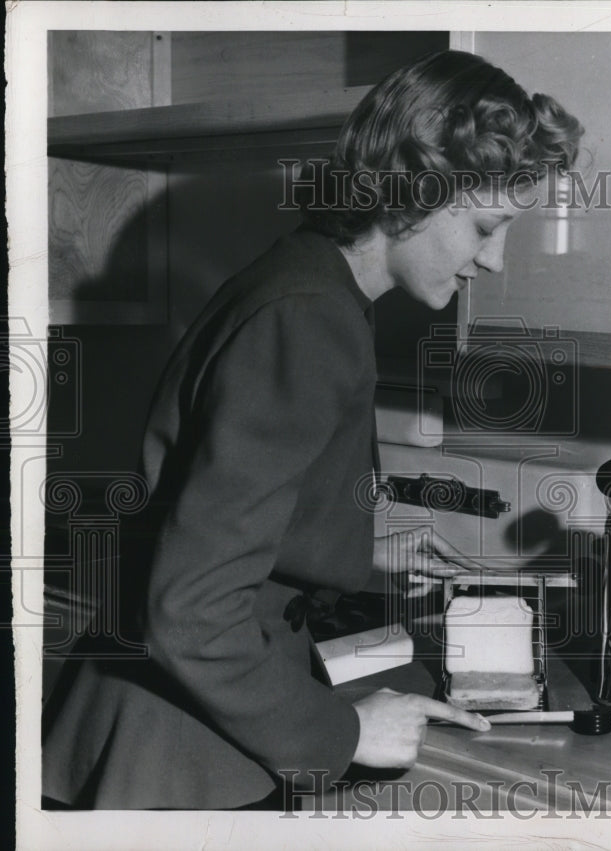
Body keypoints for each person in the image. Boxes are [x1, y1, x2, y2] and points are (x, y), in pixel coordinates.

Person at [41, 49, 583, 810]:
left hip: (157, 729)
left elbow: (230, 523)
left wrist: (359, 557)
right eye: (487, 226)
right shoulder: (312, 319)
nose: (493, 260)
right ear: (411, 197)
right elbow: (190, 610)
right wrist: (343, 732)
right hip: (175, 754)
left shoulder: (306, 279)